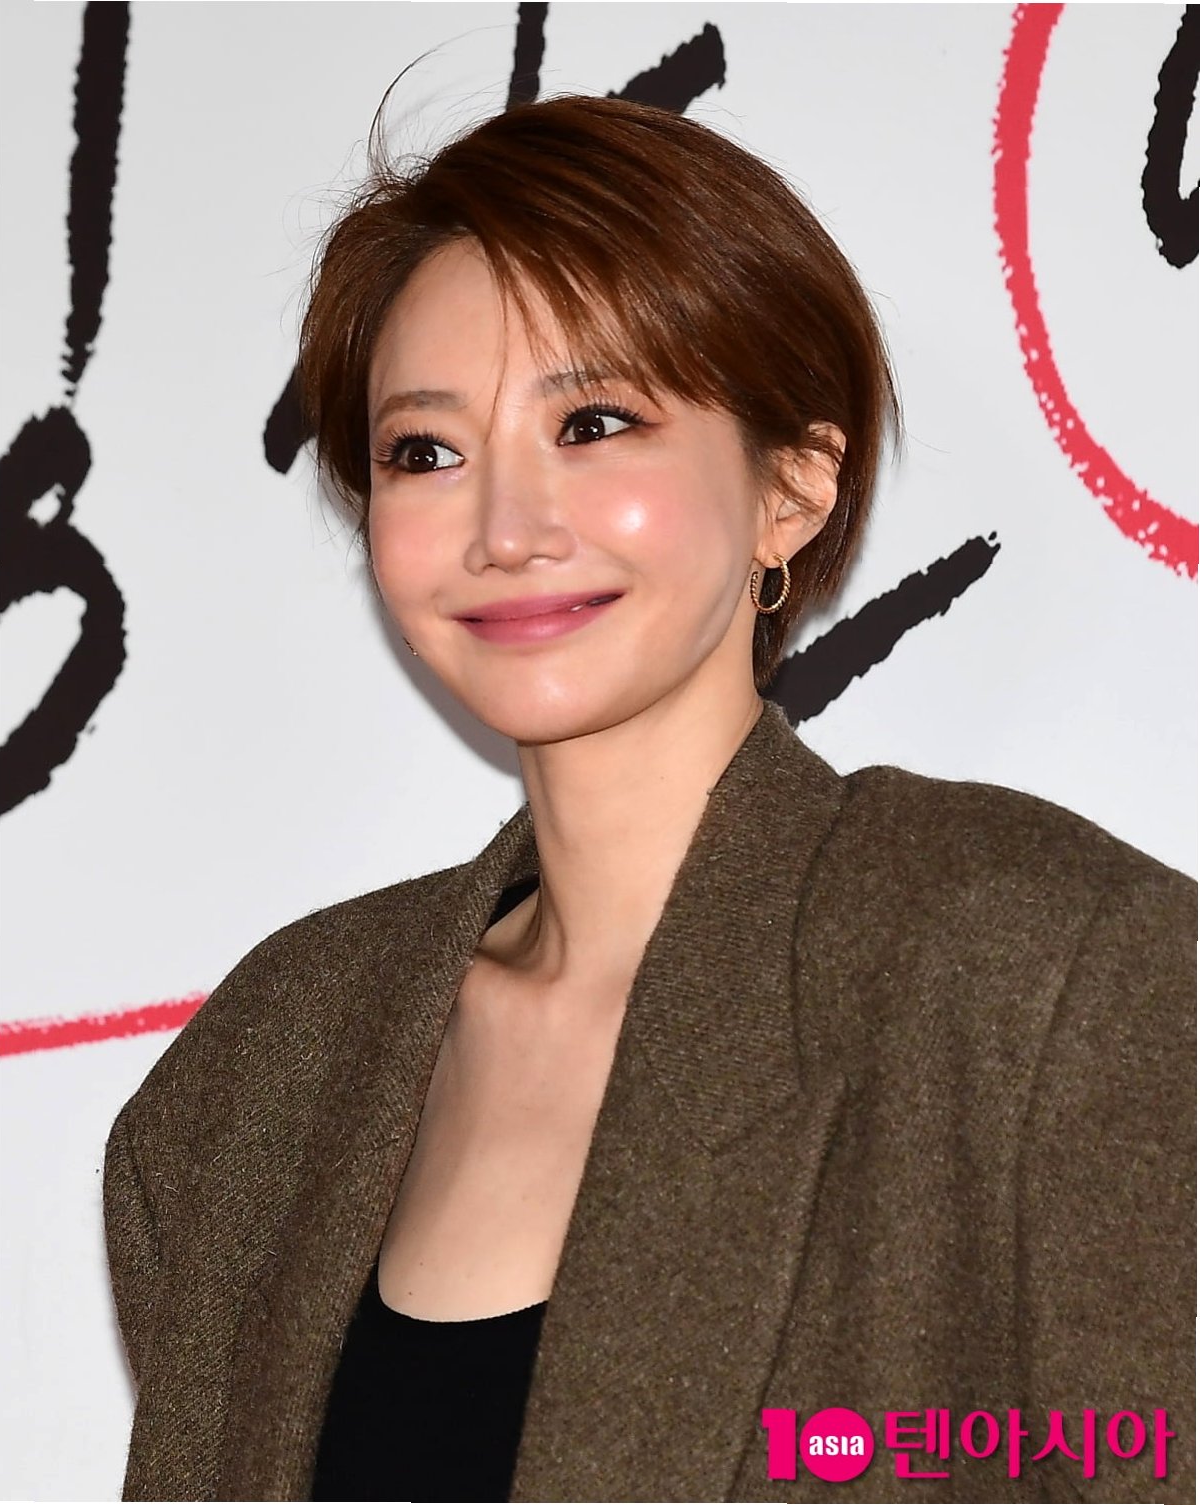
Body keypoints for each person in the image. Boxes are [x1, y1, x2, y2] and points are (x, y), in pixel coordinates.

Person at [103, 93, 1195, 1504]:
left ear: (792, 487)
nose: (504, 529)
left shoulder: (1042, 972)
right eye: (425, 451)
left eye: (595, 422)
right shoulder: (265, 1069)